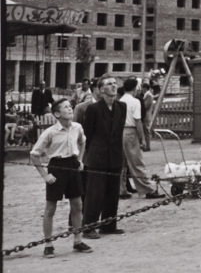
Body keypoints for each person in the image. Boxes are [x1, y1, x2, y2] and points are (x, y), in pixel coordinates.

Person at [29, 98, 92, 256]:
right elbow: (34, 154)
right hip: (56, 167)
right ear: (57, 114)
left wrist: (80, 160)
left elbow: (83, 142)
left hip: (72, 166)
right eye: (66, 108)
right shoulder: (50, 132)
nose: (70, 109)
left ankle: (78, 240)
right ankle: (48, 244)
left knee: (77, 205)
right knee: (51, 208)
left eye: (70, 107)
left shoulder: (77, 127)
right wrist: (45, 175)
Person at [81, 73, 128, 238]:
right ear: (101, 90)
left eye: (115, 83)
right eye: (109, 84)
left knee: (112, 193)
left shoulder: (122, 107)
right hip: (97, 157)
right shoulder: (93, 109)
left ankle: (108, 225)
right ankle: (88, 227)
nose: (113, 86)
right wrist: (89, 155)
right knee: (95, 194)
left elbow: (119, 131)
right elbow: (87, 133)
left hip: (115, 156)